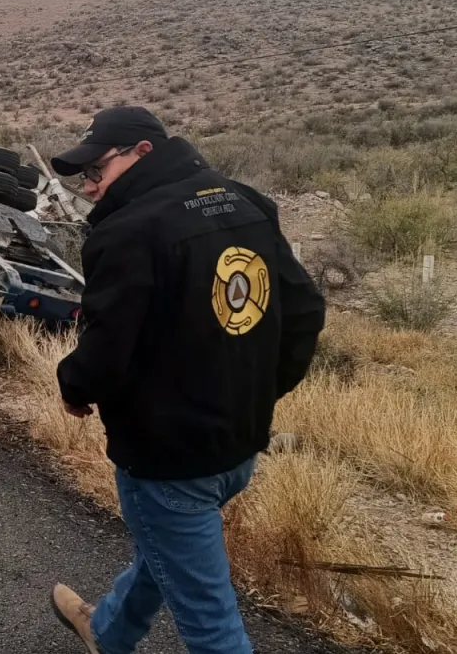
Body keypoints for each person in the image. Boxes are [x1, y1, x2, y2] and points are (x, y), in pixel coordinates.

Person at [46, 106, 326, 654]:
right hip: (239, 446)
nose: (91, 186)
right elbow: (304, 314)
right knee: (170, 550)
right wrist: (258, 395)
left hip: (168, 459)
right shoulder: (245, 200)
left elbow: (106, 348)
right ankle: (108, 631)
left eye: (97, 171)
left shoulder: (127, 231)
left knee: (213, 627)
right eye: (84, 177)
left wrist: (74, 388)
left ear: (141, 153)